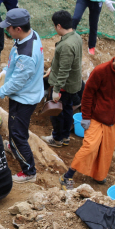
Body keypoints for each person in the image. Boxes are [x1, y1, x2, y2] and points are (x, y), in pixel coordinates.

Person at [60, 49, 115, 190]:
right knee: (90, 147)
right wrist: (86, 117)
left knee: (106, 150)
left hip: (113, 119)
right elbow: (87, 94)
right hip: (96, 116)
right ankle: (67, 175)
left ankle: (99, 175)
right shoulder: (100, 71)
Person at [0, 8, 44, 183]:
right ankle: (13, 146)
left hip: (24, 98)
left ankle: (28, 171)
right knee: (17, 127)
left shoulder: (27, 54)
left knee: (17, 132)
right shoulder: (29, 36)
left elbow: (19, 81)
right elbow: (17, 69)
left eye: (8, 28)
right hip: (27, 91)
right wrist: (5, 71)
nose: (6, 30)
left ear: (18, 28)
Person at [41, 10, 83, 147]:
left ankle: (57, 139)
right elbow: (66, 62)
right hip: (73, 84)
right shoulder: (76, 37)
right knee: (67, 109)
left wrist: (56, 90)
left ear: (58, 26)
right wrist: (53, 67)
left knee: (56, 112)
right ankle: (65, 137)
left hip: (64, 85)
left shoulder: (66, 45)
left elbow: (64, 70)